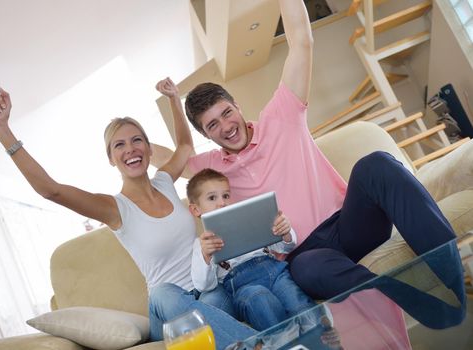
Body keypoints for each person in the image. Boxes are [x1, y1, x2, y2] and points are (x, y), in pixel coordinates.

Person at [156, 0, 465, 329]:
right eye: (212, 126)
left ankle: (453, 275)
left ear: (236, 104)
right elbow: (174, 155)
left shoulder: (281, 116)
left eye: (225, 113)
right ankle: (413, 301)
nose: (225, 126)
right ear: (205, 134)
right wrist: (171, 105)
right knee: (305, 270)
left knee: (376, 164)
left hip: (350, 223)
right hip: (304, 255)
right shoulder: (214, 170)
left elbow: (301, 40)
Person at [0, 78, 257, 350]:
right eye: (119, 145)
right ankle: (256, 345)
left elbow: (184, 146)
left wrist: (173, 98)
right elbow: (51, 190)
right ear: (111, 158)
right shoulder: (114, 208)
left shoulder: (164, 181)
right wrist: (3, 131)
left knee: (215, 298)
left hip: (204, 292)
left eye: (137, 141)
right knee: (164, 292)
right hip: (166, 310)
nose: (130, 149)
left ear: (148, 149)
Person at [187, 168, 318, 331]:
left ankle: (323, 340)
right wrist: (206, 256)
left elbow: (285, 247)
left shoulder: (248, 220)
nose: (221, 202)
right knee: (258, 298)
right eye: (212, 198)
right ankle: (285, 340)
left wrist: (285, 232)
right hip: (243, 288)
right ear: (195, 209)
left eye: (226, 196)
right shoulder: (201, 244)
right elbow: (204, 286)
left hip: (276, 275)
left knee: (301, 307)